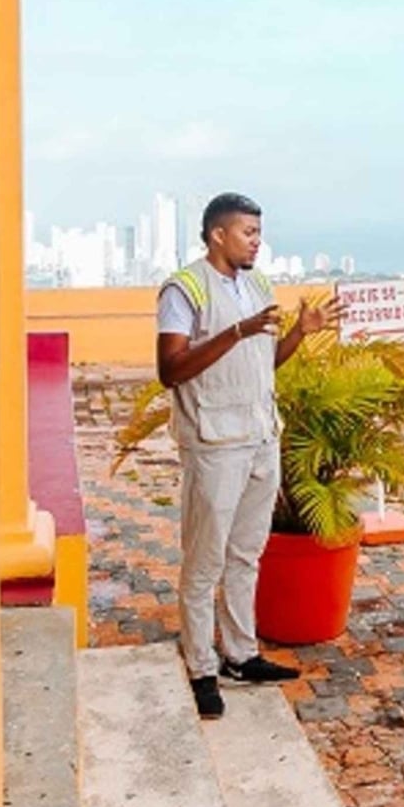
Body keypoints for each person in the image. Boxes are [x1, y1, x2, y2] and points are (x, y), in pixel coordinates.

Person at [157, 192, 344, 719]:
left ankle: (240, 654)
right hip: (214, 443)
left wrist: (299, 336)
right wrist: (235, 330)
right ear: (218, 234)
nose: (257, 242)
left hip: (261, 437)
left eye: (260, 233)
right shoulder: (184, 289)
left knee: (245, 554)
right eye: (248, 233)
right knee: (203, 561)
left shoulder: (259, 285)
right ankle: (200, 666)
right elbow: (170, 370)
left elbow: (265, 363)